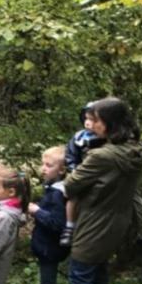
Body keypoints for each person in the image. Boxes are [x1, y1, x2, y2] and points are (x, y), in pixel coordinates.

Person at [52, 98, 142, 284]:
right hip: (117, 219)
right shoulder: (133, 149)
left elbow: (71, 186)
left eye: (96, 120)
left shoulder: (102, 156)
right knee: (98, 275)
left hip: (95, 222)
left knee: (80, 277)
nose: (91, 125)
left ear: (110, 123)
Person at [26, 147, 71, 284]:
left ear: (62, 170)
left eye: (49, 165)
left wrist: (36, 211)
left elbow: (57, 223)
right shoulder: (52, 189)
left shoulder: (58, 193)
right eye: (43, 164)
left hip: (50, 248)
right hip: (46, 246)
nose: (43, 169)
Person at [60, 103, 97, 246]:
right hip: (80, 172)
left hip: (97, 175)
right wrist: (73, 169)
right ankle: (69, 225)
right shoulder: (79, 136)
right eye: (86, 118)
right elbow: (71, 155)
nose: (88, 123)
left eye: (93, 119)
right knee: (71, 195)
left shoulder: (107, 138)